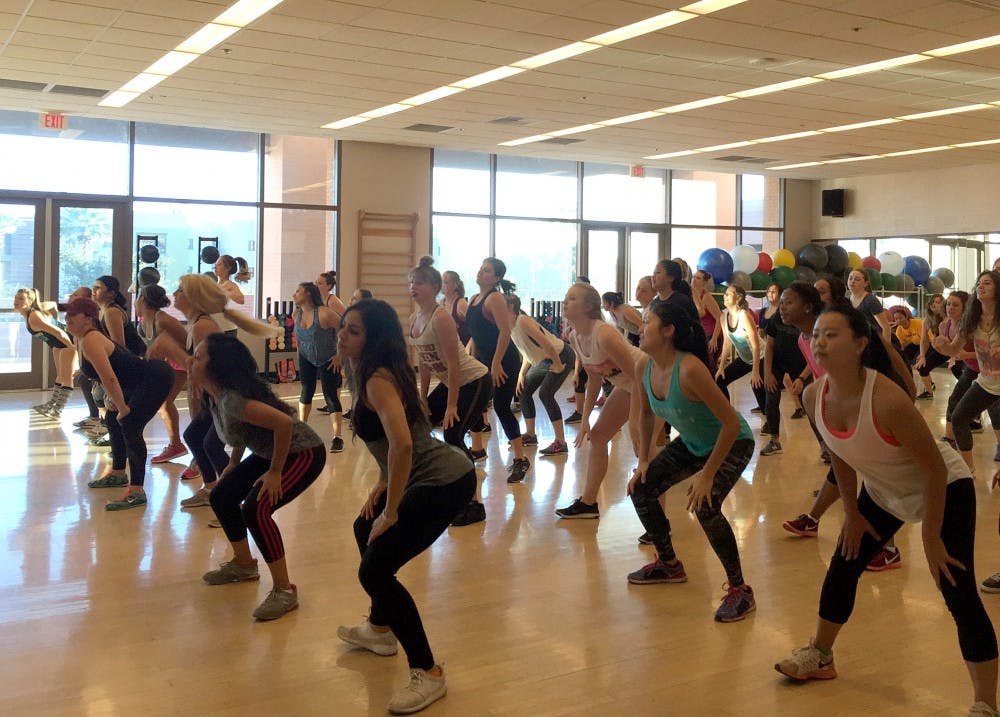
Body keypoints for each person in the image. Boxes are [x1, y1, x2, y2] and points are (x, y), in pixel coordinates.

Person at [773, 304, 998, 717]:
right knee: (845, 562)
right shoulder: (813, 396)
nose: (819, 342)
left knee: (957, 589)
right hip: (883, 492)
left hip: (945, 488)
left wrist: (930, 537)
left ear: (861, 344)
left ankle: (985, 703)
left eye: (832, 335)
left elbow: (934, 469)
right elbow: (839, 452)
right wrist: (851, 513)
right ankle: (820, 654)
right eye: (817, 334)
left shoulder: (887, 400)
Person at [335, 299, 476, 715]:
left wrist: (391, 510)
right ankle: (380, 628)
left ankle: (428, 672)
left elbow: (404, 444)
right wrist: (382, 484)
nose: (342, 336)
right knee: (363, 529)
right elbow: (394, 443)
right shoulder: (365, 369)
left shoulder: (377, 378)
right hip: (423, 475)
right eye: (343, 327)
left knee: (374, 570)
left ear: (374, 338)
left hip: (444, 480)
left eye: (354, 331)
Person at [627, 301, 756, 622]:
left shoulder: (689, 369)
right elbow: (645, 414)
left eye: (647, 322)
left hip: (733, 443)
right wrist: (643, 461)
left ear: (668, 331)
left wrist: (707, 476)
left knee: (705, 506)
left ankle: (740, 590)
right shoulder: (644, 366)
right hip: (693, 443)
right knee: (641, 488)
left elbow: (730, 424)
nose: (640, 328)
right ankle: (669, 565)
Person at [191, 333, 326, 621]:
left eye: (198, 357)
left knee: (256, 509)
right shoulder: (213, 396)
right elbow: (242, 429)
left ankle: (284, 591)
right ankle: (244, 565)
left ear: (216, 367)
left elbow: (284, 424)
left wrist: (275, 473)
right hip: (271, 451)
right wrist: (233, 463)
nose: (192, 360)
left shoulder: (232, 400)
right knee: (222, 495)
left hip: (303, 452)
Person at [64, 298, 173, 510]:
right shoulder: (80, 339)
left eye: (73, 314)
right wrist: (114, 400)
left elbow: (109, 377)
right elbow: (105, 375)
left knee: (130, 425)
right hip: (135, 381)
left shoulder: (91, 339)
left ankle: (137, 491)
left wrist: (122, 406)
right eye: (66, 314)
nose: (67, 319)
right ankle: (118, 473)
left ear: (88, 319)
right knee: (113, 419)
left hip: (154, 377)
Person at [407, 257, 491, 524]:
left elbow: (454, 364)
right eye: (411, 282)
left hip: (475, 381)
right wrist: (422, 397)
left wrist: (451, 406)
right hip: (450, 382)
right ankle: (431, 486)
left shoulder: (441, 317)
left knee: (453, 434)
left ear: (434, 287)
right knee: (419, 427)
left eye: (419, 282)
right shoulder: (414, 319)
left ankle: (474, 503)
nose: (413, 286)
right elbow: (424, 360)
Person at [556, 282, 643, 519]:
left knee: (645, 450)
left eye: (572, 298)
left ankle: (659, 524)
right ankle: (588, 503)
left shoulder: (603, 334)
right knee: (597, 436)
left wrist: (634, 421)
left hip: (653, 383)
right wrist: (584, 419)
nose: (565, 302)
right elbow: (594, 379)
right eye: (566, 297)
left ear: (588, 307)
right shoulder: (574, 337)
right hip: (629, 387)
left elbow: (639, 378)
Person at [466, 258, 529, 483]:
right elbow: (476, 334)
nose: (480, 272)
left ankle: (521, 459)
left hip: (504, 361)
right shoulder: (474, 299)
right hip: (484, 361)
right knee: (475, 404)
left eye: (487, 270)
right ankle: (477, 449)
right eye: (481, 268)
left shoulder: (495, 298)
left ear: (496, 278)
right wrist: (471, 359)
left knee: (502, 408)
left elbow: (505, 331)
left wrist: (496, 362)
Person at [935, 271, 1000, 474]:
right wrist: (942, 346)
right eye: (979, 283)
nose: (981, 286)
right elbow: (954, 350)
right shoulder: (971, 320)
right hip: (986, 382)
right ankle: (968, 469)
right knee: (959, 418)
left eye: (987, 283)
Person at [507, 293, 574, 455]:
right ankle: (530, 435)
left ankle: (561, 442)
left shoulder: (522, 321)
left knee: (546, 394)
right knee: (523, 391)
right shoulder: (510, 327)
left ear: (512, 309)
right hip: (544, 360)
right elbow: (528, 351)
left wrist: (558, 365)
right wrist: (522, 374)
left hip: (561, 355)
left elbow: (547, 344)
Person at [136, 284, 189, 463]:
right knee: (164, 404)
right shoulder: (143, 322)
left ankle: (176, 445)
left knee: (165, 403)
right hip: (165, 365)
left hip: (179, 363)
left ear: (143, 300)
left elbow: (189, 344)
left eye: (138, 297)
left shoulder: (163, 320)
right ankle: (175, 444)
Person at [293, 282, 344, 453]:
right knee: (306, 391)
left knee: (330, 395)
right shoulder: (296, 314)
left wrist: (339, 355)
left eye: (298, 291)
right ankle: (302, 430)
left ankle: (337, 437)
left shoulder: (324, 313)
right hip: (306, 356)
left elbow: (345, 329)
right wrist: (299, 356)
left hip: (328, 358)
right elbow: (298, 338)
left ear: (308, 294)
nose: (294, 295)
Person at [759, 283, 806, 456]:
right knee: (771, 399)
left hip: (801, 366)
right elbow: (770, 346)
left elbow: (813, 356)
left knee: (809, 404)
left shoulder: (807, 322)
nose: (784, 306)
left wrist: (801, 378)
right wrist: (768, 372)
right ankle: (774, 441)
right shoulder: (776, 319)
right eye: (783, 302)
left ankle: (825, 445)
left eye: (789, 302)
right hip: (778, 364)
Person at [15, 288, 75, 418]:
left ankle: (57, 410)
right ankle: (52, 404)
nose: (16, 301)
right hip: (56, 343)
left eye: (21, 298)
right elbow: (53, 304)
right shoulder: (32, 311)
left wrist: (72, 346)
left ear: (30, 301)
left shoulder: (34, 316)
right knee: (60, 376)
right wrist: (55, 320)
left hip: (66, 340)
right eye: (16, 297)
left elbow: (59, 332)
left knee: (66, 377)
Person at [715, 285, 765, 412]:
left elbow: (756, 346)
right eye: (725, 293)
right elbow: (727, 343)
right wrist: (721, 367)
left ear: (738, 298)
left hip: (761, 356)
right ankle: (728, 413)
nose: (725, 296)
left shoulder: (744, 316)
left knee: (756, 384)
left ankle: (766, 413)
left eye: (729, 294)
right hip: (745, 359)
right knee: (720, 380)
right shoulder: (723, 317)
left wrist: (755, 371)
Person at [913, 293, 948, 399]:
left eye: (937, 302)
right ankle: (930, 387)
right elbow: (924, 340)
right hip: (936, 345)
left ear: (943, 305)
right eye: (932, 302)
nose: (933, 304)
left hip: (947, 347)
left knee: (923, 368)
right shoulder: (927, 320)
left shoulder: (947, 319)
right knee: (920, 364)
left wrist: (954, 357)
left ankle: (929, 391)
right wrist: (922, 355)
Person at [847, 269, 891, 341]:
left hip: (873, 342)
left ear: (865, 284)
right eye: (850, 278)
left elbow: (886, 328)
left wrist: (886, 347)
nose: (852, 281)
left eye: (857, 279)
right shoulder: (847, 300)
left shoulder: (871, 301)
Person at [212, 254, 251, 336]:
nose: (215, 267)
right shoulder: (216, 285)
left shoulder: (230, 285)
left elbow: (241, 300)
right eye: (215, 265)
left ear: (227, 268)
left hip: (227, 330)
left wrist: (224, 292)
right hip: (216, 328)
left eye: (219, 265)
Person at [440, 270, 470, 346]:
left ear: (455, 285)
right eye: (441, 282)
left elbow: (475, 326)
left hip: (464, 346)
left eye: (446, 282)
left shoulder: (461, 303)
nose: (442, 285)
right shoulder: (441, 303)